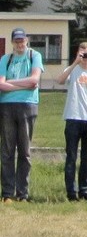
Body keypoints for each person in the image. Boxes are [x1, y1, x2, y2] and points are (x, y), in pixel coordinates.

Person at [0, 27, 44, 202]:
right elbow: (1, 85)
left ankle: (22, 193)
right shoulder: (5, 59)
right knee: (7, 150)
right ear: (12, 42)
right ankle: (7, 193)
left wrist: (10, 83)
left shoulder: (35, 56)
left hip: (28, 105)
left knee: (25, 151)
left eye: (22, 40)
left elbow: (35, 80)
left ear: (27, 40)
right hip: (6, 106)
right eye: (16, 40)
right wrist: (23, 84)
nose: (20, 43)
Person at [57, 42, 87, 201]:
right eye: (82, 53)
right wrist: (75, 62)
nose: (85, 56)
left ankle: (84, 190)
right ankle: (71, 192)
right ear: (78, 53)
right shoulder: (72, 70)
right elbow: (60, 80)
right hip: (73, 118)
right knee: (71, 156)